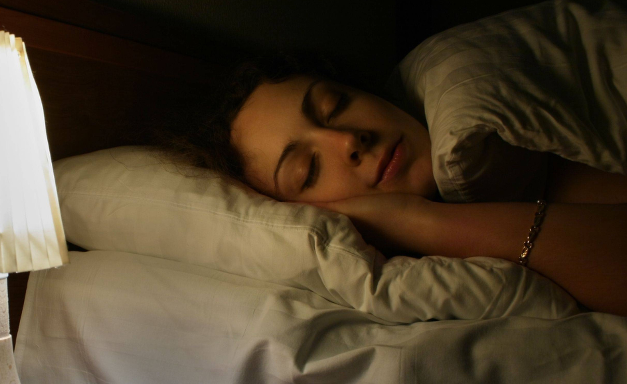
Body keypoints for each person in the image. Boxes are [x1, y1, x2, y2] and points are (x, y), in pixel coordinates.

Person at [165, 55, 627, 316]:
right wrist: (417, 222)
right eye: (308, 171)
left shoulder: (497, 129)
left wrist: (419, 220)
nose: (348, 140)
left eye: (335, 105)